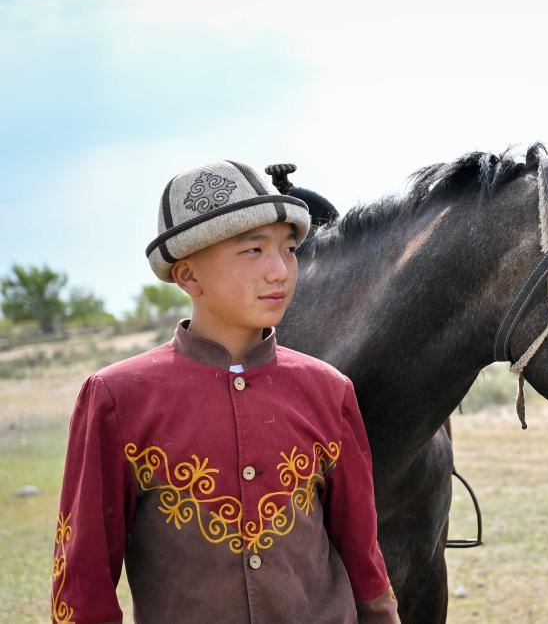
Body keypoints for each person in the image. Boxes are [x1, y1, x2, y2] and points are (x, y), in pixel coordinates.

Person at [51, 161, 399, 623]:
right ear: (189, 277)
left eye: (289, 249)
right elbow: (84, 578)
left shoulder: (329, 392)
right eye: (253, 250)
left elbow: (363, 554)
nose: (280, 272)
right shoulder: (119, 398)